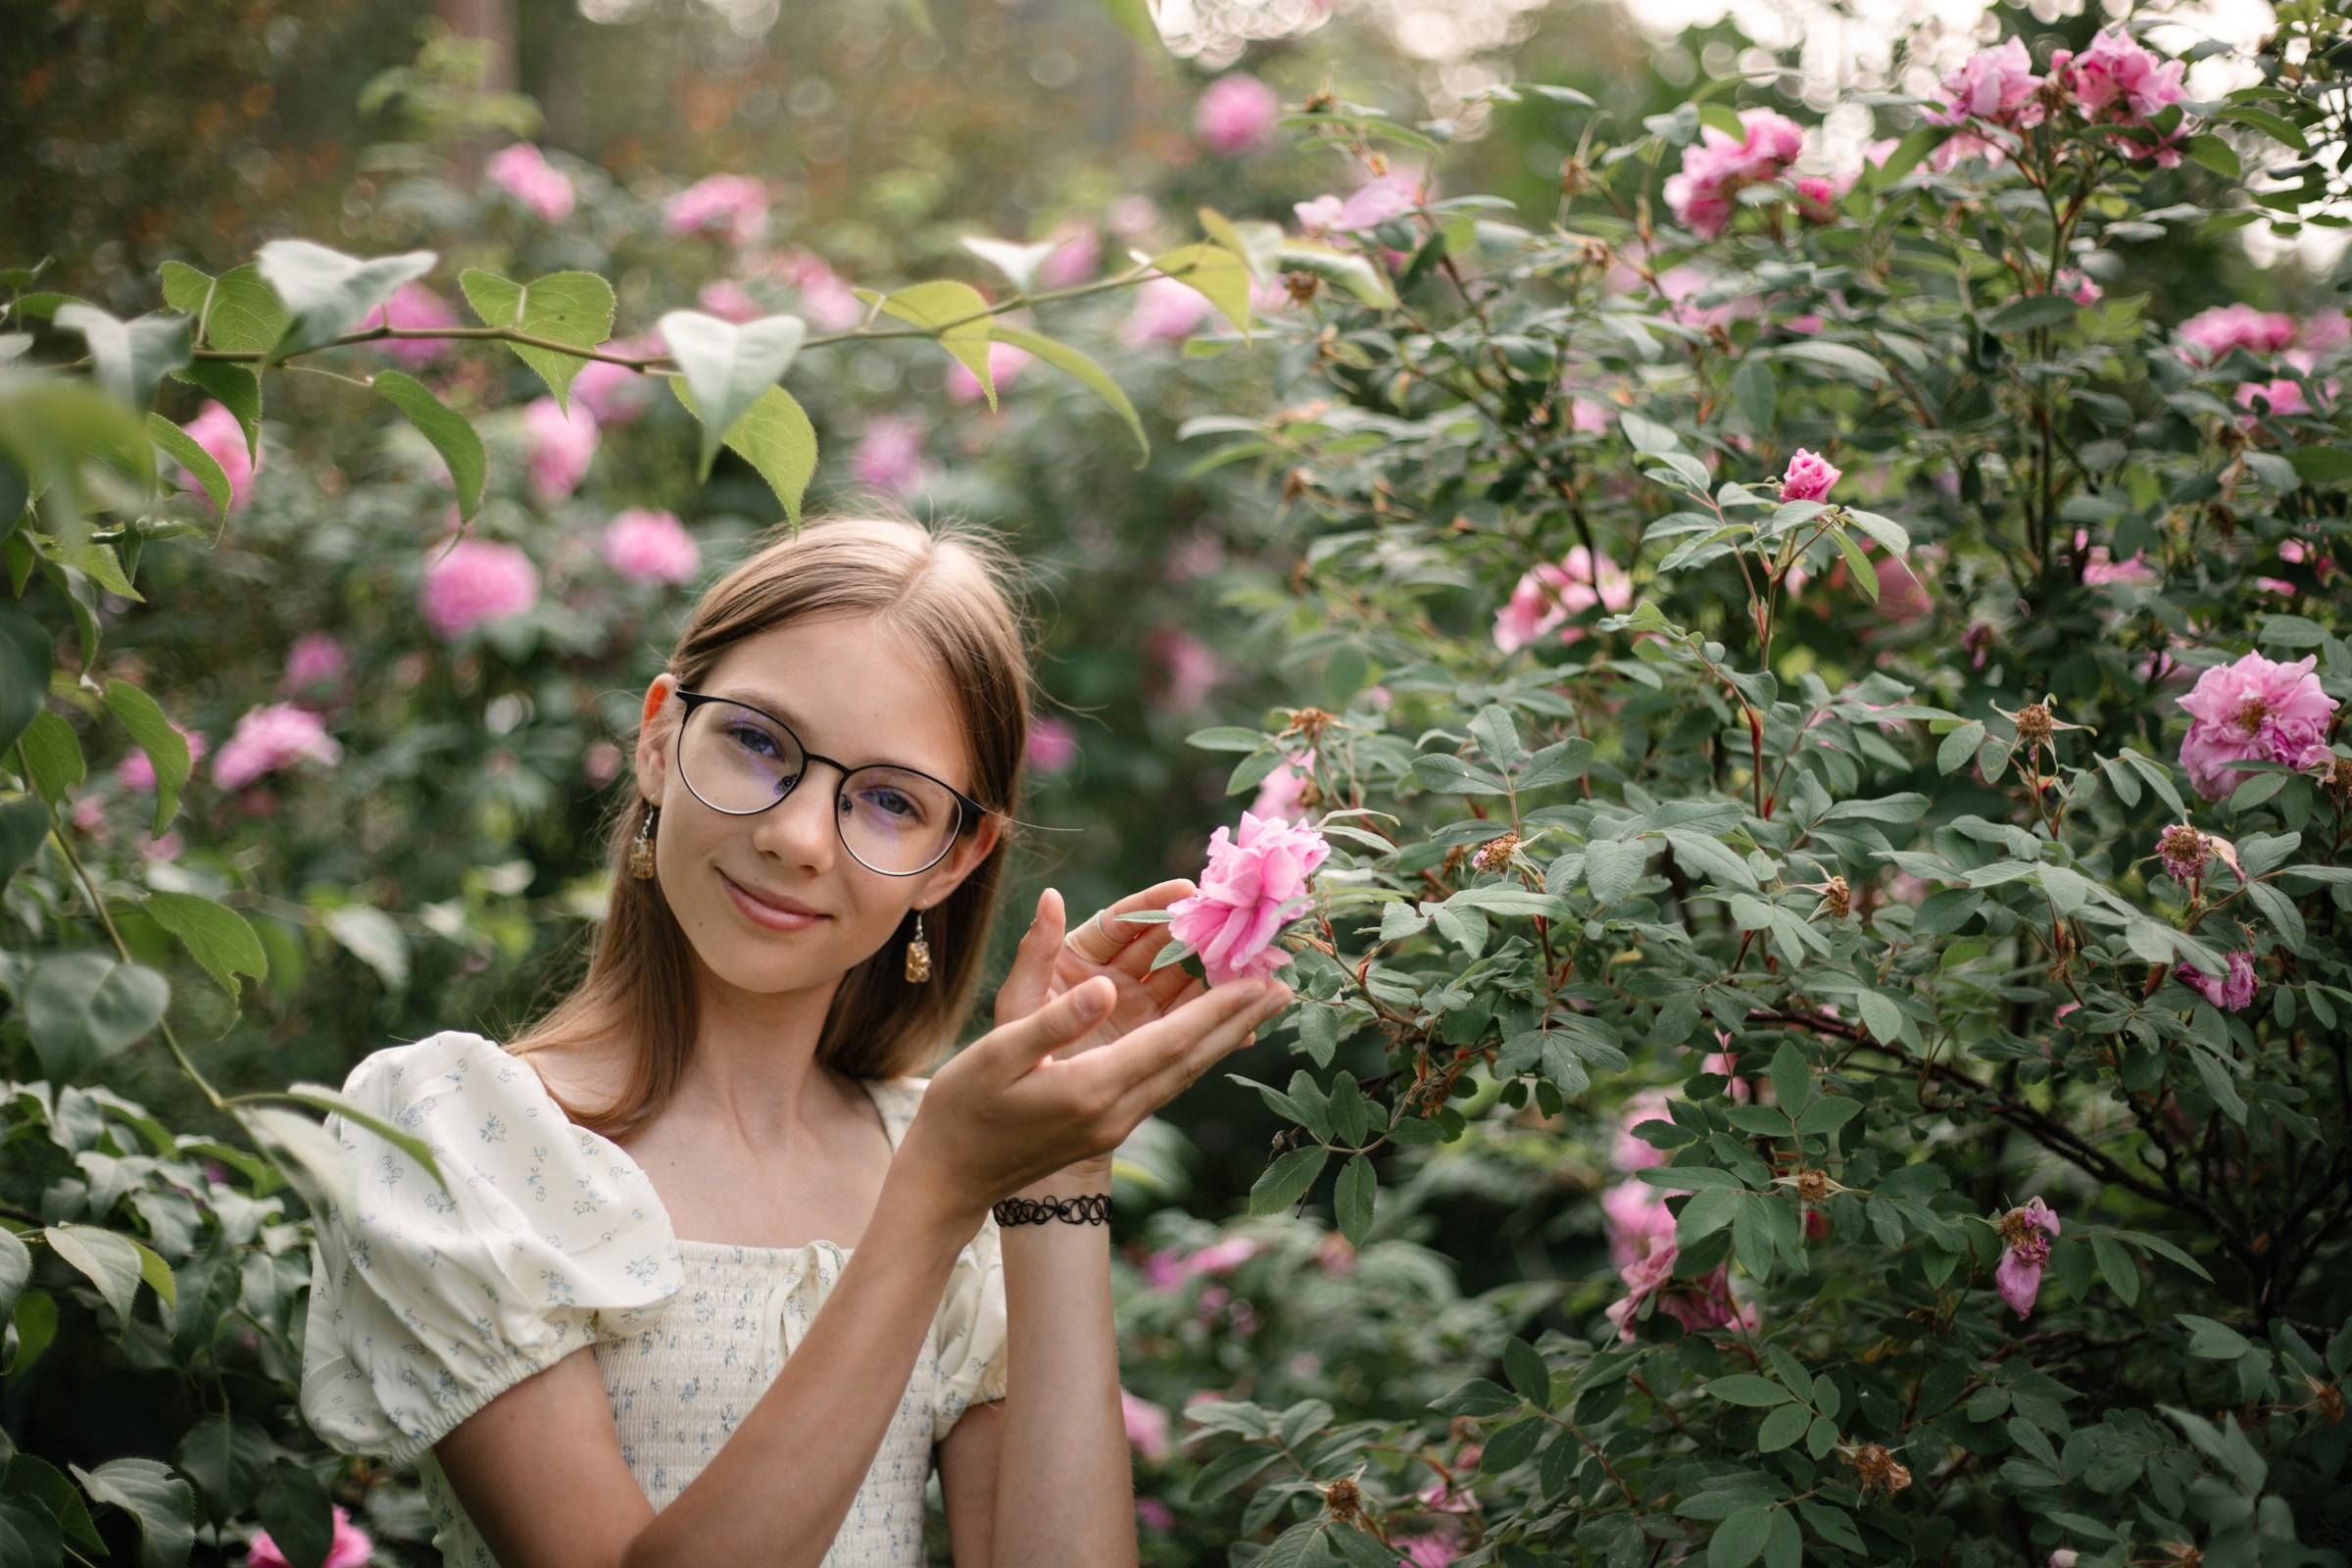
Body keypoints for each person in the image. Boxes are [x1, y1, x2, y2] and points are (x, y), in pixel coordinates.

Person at [298, 515, 1296, 1568]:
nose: (798, 835)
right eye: (759, 741)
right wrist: (935, 1195)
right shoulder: (456, 1130)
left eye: (887, 801)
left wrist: (1054, 1177)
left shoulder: (943, 1150)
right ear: (656, 738)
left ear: (955, 860)